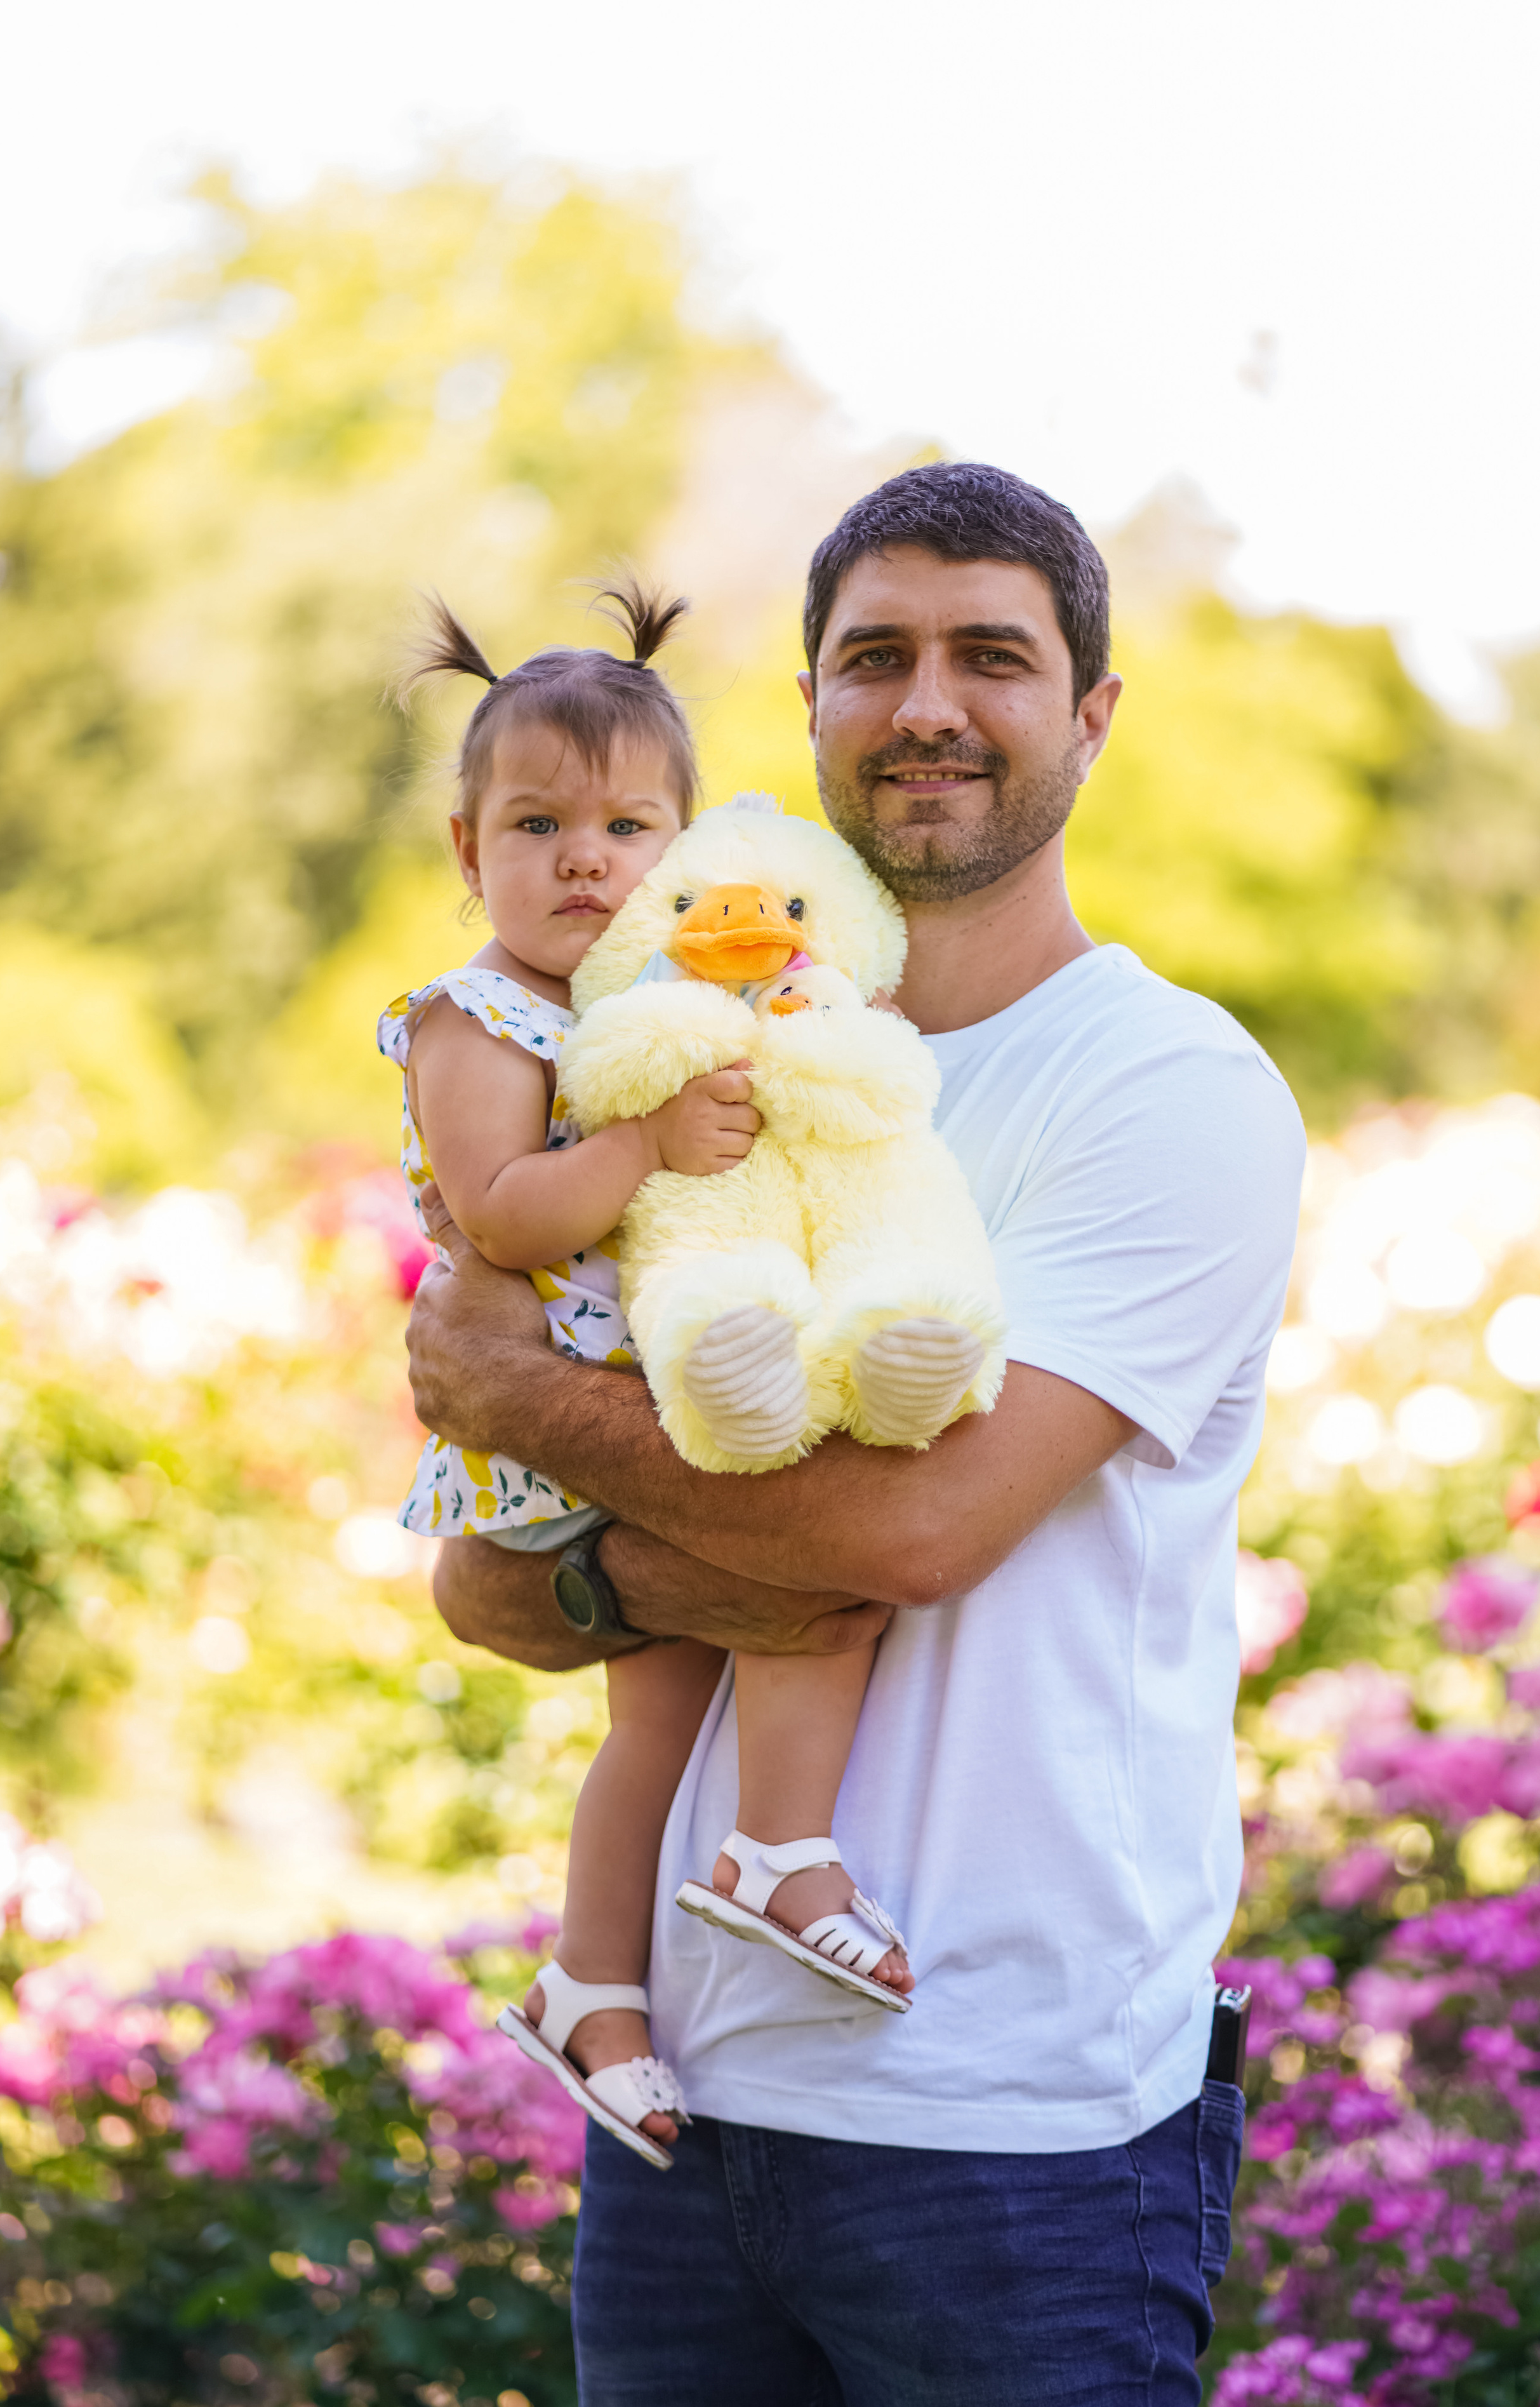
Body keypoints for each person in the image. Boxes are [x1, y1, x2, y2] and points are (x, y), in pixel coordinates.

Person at [409, 463, 1306, 2404]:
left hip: (1014, 2128)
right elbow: (491, 1582)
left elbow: (918, 1532)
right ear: (805, 706)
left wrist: (531, 1411)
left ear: (1091, 710)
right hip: (682, 2110)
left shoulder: (1166, 1088)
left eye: (995, 654)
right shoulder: (649, 1072)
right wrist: (570, 1504)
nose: (928, 705)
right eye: (871, 655)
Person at [382, 584, 915, 2180]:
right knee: (814, 1583)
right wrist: (646, 1144)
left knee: (661, 1711)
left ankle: (593, 1982)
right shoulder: (476, 1018)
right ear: (468, 850)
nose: (583, 860)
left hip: (650, 1391)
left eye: (626, 826)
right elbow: (495, 1212)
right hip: (561, 1432)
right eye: (536, 823)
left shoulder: (633, 1000)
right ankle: (779, 1852)